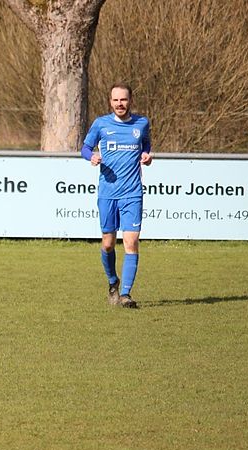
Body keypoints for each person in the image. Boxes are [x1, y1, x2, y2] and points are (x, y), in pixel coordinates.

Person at [81, 83, 152, 309]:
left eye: (123, 99)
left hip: (132, 192)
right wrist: (91, 157)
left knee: (131, 242)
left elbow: (146, 144)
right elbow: (85, 148)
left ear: (130, 101)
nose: (120, 104)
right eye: (116, 100)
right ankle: (113, 281)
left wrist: (146, 154)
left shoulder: (141, 123)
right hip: (108, 193)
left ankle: (125, 295)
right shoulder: (101, 124)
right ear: (110, 102)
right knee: (108, 243)